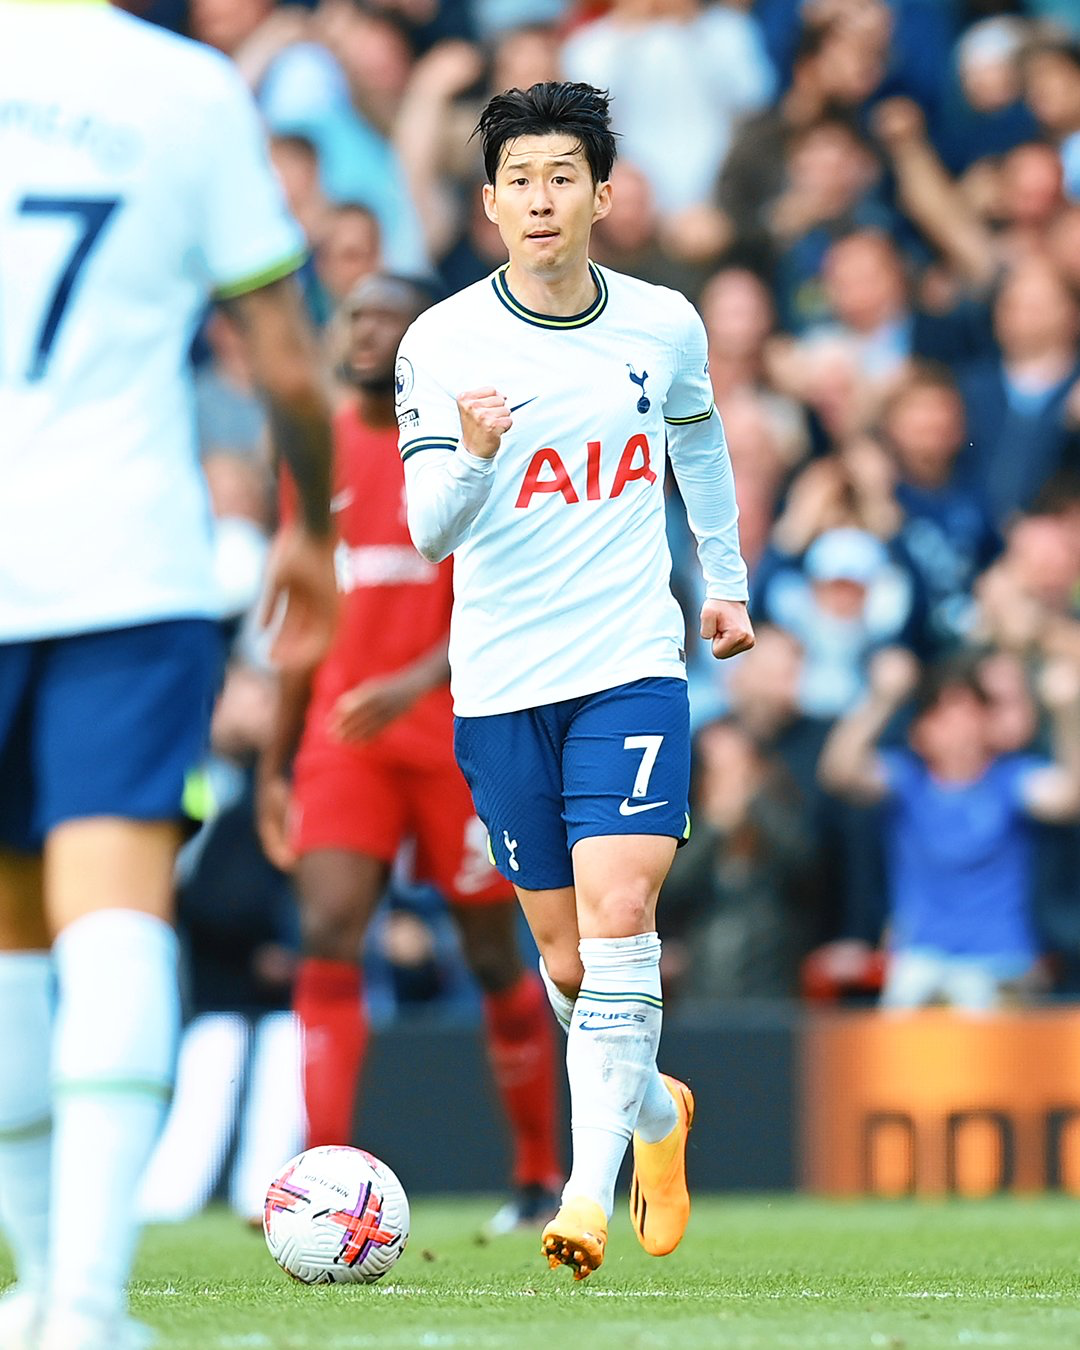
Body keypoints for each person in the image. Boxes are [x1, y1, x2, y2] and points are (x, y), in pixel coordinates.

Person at [0, 6, 338, 1350]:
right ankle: (84, 1301)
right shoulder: (187, 91)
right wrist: (311, 527)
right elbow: (291, 366)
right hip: (122, 564)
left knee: (14, 932)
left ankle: (34, 1292)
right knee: (114, 907)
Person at [395, 82, 754, 1279]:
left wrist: (727, 582)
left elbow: (699, 439)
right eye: (520, 179)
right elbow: (429, 532)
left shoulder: (662, 323)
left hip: (630, 667)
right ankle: (655, 1113)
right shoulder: (441, 342)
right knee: (565, 965)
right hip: (500, 683)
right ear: (489, 201)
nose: (542, 198)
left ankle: (584, 1194)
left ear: (602, 192)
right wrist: (480, 457)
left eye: (564, 175)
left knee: (622, 922)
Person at [257, 274, 563, 1235]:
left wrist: (415, 677)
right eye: (355, 315)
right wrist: (273, 760)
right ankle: (320, 1174)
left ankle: (535, 1172)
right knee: (330, 928)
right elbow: (302, 615)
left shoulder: (473, 445)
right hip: (342, 738)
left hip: (456, 734)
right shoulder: (315, 454)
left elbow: (507, 592)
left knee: (487, 950)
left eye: (389, 318)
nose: (365, 331)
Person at [818, 649, 1080, 1010]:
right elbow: (840, 772)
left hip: (1000, 963)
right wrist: (881, 698)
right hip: (921, 962)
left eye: (971, 712)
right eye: (945, 714)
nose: (960, 726)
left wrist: (1068, 712)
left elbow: (1070, 796)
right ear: (920, 731)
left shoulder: (1011, 780)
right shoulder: (908, 783)